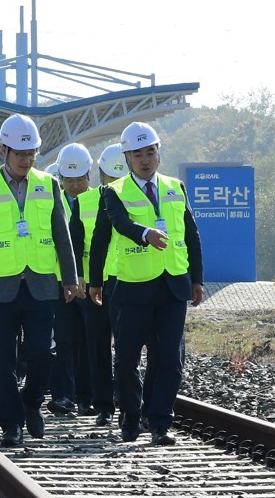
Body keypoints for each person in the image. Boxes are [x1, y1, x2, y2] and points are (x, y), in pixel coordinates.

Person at [0, 113, 78, 447]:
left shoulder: (48, 184)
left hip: (41, 283)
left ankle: (30, 402)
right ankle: (11, 424)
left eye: (32, 153)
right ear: (4, 150)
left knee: (42, 353)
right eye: (20, 153)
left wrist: (70, 278)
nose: (27, 159)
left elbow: (61, 234)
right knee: (1, 360)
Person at [89, 121, 203, 446]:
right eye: (137, 154)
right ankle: (129, 416)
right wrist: (95, 280)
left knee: (169, 357)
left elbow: (191, 234)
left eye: (150, 152)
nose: (145, 159)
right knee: (126, 359)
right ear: (127, 157)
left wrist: (197, 279)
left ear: (158, 153)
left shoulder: (176, 187)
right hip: (132, 288)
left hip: (173, 287)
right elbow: (111, 230)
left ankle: (159, 422)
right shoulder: (113, 191)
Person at [69, 144, 127, 425]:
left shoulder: (138, 199)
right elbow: (75, 242)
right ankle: (102, 405)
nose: (114, 183)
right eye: (111, 177)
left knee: (127, 348)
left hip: (129, 282)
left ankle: (129, 405)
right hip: (95, 284)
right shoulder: (84, 202)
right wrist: (79, 276)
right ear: (101, 174)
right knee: (97, 345)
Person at [47, 143, 95, 418]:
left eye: (80, 179)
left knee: (89, 341)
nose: (74, 185)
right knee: (62, 341)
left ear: (89, 176)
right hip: (57, 282)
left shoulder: (100, 201)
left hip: (90, 284)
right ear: (61, 178)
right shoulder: (52, 202)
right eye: (69, 180)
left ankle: (87, 397)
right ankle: (63, 396)